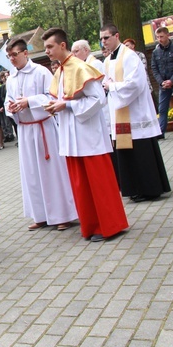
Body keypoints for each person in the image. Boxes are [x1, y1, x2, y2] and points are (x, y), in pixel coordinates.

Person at [42, 28, 129, 242]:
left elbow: (98, 99)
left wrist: (68, 105)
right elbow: (65, 99)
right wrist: (56, 105)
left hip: (89, 137)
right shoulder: (60, 71)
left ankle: (110, 225)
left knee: (99, 184)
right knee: (81, 185)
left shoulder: (81, 68)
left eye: (50, 47)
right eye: (45, 48)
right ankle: (90, 225)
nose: (47, 52)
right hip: (71, 138)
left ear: (63, 45)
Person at [5, 39, 77, 231]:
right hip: (25, 129)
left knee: (52, 172)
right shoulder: (10, 78)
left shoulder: (41, 72)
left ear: (25, 53)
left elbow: (53, 97)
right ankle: (41, 215)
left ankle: (63, 214)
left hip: (43, 128)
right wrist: (11, 108)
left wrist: (30, 101)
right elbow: (6, 103)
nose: (12, 59)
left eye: (15, 54)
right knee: (32, 174)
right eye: (9, 56)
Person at [100, 25, 171, 202]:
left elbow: (136, 84)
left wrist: (112, 86)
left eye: (106, 37)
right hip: (120, 111)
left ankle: (150, 188)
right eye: (101, 39)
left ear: (117, 35)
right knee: (127, 153)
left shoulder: (130, 56)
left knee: (141, 152)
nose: (103, 41)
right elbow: (106, 81)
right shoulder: (108, 60)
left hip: (135, 112)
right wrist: (108, 85)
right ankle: (134, 188)